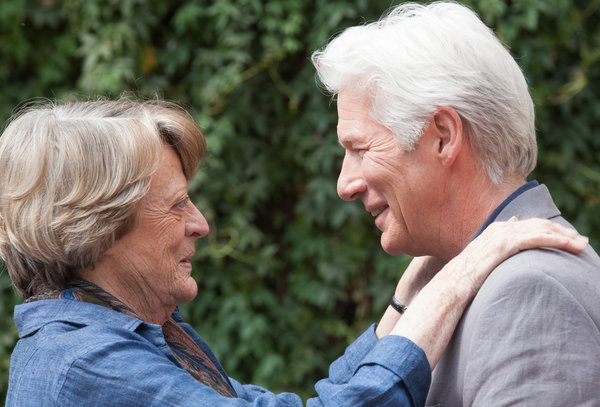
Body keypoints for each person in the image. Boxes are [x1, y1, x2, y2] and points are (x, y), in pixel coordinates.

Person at [0, 100, 587, 407]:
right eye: (176, 205)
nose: (200, 224)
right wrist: (460, 276)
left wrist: (409, 299)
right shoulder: (87, 368)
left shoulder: (122, 339)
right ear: (95, 230)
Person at [311, 1, 600, 405]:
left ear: (444, 137)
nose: (345, 185)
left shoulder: (528, 290)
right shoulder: (466, 283)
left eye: (361, 148)